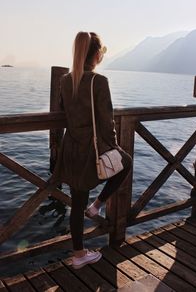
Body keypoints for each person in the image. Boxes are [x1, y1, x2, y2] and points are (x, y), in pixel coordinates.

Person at [51, 32, 132, 269]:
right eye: (103, 52)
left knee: (76, 203)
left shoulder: (65, 80)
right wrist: (114, 146)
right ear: (97, 54)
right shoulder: (99, 81)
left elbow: (63, 110)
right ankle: (97, 205)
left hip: (70, 149)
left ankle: (78, 254)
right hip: (91, 150)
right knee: (125, 162)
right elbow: (107, 122)